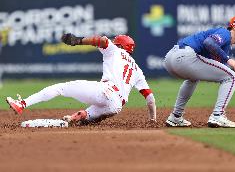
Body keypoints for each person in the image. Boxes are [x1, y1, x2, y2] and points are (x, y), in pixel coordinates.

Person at [6, 34, 157, 124]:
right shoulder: (137, 70)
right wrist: (152, 121)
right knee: (86, 118)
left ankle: (22, 104)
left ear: (119, 45)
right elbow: (150, 99)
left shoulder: (115, 50)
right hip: (116, 107)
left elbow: (103, 40)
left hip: (106, 91)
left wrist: (77, 40)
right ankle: (76, 117)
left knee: (61, 88)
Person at [164, 14, 235, 128]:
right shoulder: (225, 33)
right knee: (231, 77)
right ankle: (218, 115)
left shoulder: (223, 47)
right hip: (185, 56)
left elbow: (222, 75)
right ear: (234, 27)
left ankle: (175, 117)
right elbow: (208, 43)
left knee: (194, 79)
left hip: (171, 59)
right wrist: (229, 60)